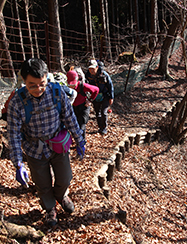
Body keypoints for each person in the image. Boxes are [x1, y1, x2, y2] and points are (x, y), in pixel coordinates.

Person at [7, 58, 86, 227]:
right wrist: (18, 164)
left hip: (58, 145)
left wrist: (79, 140)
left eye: (41, 83)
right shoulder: (17, 102)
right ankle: (49, 208)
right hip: (34, 149)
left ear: (47, 78)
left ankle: (61, 195)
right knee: (42, 183)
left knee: (65, 177)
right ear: (23, 81)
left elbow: (70, 117)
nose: (38, 89)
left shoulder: (57, 93)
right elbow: (13, 134)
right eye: (32, 85)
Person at [66, 70, 99, 141]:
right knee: (75, 124)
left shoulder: (82, 86)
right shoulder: (66, 88)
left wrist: (90, 100)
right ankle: (78, 139)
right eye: (70, 85)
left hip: (84, 107)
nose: (72, 86)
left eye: (73, 84)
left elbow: (96, 90)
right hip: (74, 107)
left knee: (81, 125)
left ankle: (81, 142)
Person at [85, 60, 114, 135]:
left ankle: (104, 128)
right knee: (97, 113)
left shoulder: (104, 74)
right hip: (95, 96)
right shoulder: (87, 76)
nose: (91, 70)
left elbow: (110, 86)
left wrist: (111, 97)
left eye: (93, 68)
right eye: (90, 68)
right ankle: (100, 127)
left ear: (97, 67)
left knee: (103, 112)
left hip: (105, 95)